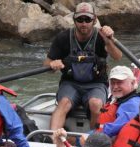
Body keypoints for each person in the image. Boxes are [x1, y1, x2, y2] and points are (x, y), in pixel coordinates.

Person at [44, 2, 122, 130]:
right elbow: (47, 64)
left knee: (96, 104)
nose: (84, 23)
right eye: (80, 19)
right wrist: (52, 65)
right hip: (70, 83)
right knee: (63, 103)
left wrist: (109, 40)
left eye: (88, 19)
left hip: (96, 84)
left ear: (94, 19)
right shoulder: (63, 38)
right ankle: (54, 140)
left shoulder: (102, 36)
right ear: (74, 20)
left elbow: (118, 57)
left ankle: (92, 139)